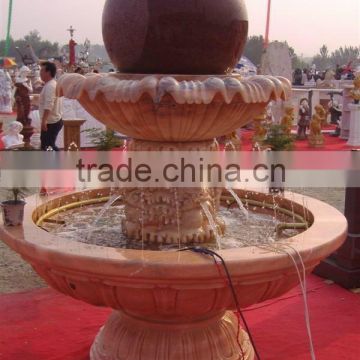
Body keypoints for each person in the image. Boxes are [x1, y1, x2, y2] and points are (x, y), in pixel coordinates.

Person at [39, 61, 63, 151]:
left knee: (48, 146)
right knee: (47, 145)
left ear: (48, 72)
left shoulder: (51, 86)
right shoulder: (49, 84)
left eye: (42, 70)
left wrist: (44, 121)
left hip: (51, 122)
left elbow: (49, 104)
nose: (40, 73)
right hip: (51, 120)